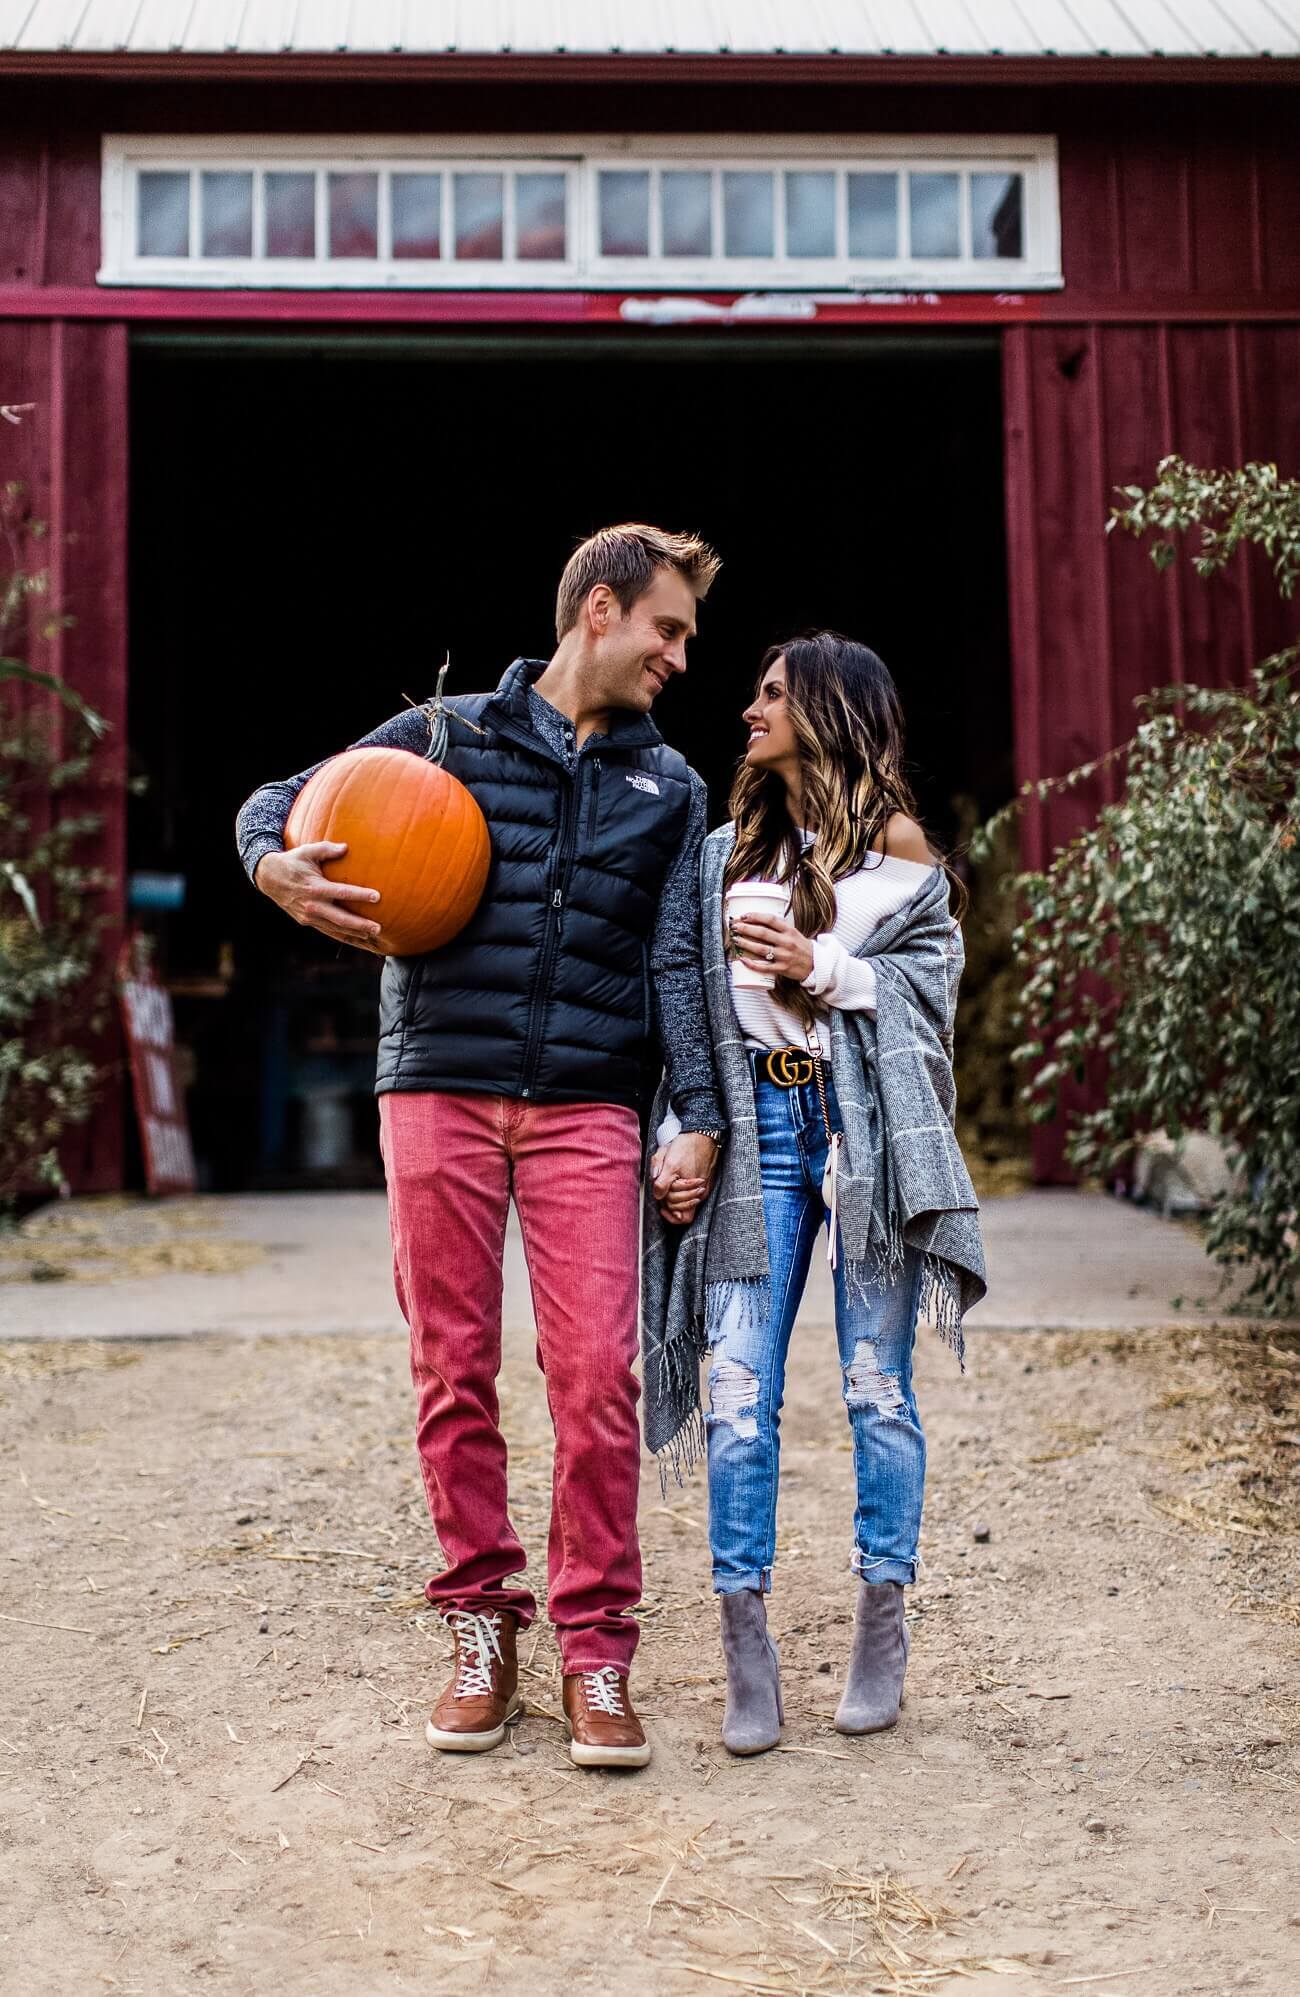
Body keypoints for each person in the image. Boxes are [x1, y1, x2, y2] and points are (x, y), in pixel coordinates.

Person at [236, 525, 728, 1770]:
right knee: (452, 1367)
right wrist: (272, 866)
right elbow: (277, 801)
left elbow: (678, 960)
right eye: (667, 629)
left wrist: (701, 1110)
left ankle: (597, 1647)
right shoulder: (441, 735)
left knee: (594, 1380)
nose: (680, 655)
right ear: (601, 609)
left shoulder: (672, 789)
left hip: (587, 1102)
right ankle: (478, 1623)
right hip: (439, 1087)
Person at [641, 632, 986, 1757]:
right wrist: (681, 1126)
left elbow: (928, 1004)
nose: (748, 708)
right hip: (755, 1141)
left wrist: (815, 965)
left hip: (862, 1141)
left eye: (773, 694)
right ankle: (746, 1645)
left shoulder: (902, 857)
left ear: (829, 714)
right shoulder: (716, 857)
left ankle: (882, 1628)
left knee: (875, 1388)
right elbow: (678, 1015)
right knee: (737, 1383)